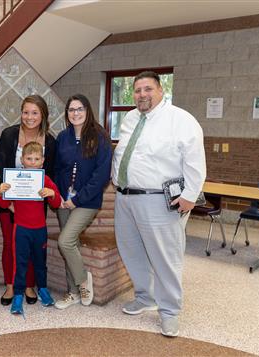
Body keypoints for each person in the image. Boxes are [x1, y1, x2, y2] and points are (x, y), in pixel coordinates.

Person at [112, 71, 206, 337]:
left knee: (165, 257)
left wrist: (190, 194)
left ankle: (170, 312)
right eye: (138, 90)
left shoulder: (181, 120)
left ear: (160, 89)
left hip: (157, 200)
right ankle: (145, 297)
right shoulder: (130, 118)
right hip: (125, 197)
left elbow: (195, 161)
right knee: (132, 251)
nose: (142, 95)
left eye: (147, 89)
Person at [0, 95, 56, 306]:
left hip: (35, 206)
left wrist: (49, 195)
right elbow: (1, 169)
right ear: (21, 113)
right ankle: (11, 285)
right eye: (26, 112)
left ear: (43, 115)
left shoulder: (50, 140)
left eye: (35, 112)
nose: (30, 117)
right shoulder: (8, 135)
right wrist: (7, 201)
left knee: (32, 246)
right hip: (9, 204)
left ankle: (29, 284)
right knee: (10, 244)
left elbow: (51, 175)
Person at [53, 94, 112, 310]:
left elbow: (102, 175)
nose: (75, 113)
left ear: (87, 111)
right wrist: (59, 196)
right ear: (67, 113)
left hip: (87, 202)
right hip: (63, 201)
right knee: (72, 245)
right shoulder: (63, 137)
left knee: (65, 241)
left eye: (80, 109)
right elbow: (58, 169)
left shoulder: (100, 137)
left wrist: (77, 199)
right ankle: (73, 292)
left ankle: (83, 281)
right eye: (71, 109)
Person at [0, 142, 61, 315]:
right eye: (29, 158)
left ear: (43, 161)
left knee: (40, 262)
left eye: (36, 159)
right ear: (22, 160)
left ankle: (43, 290)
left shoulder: (44, 180)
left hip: (40, 229)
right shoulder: (14, 178)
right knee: (20, 263)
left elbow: (56, 202)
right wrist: (0, 191)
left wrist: (52, 193)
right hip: (21, 229)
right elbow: (2, 203)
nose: (32, 162)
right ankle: (18, 295)